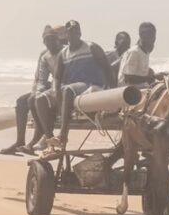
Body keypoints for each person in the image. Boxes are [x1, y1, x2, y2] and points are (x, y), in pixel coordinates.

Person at [34, 20, 112, 151]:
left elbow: (107, 68)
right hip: (71, 85)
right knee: (40, 99)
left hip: (90, 84)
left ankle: (63, 134)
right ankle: (50, 138)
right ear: (66, 35)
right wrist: (55, 90)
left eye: (76, 32)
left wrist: (111, 90)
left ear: (80, 33)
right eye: (70, 33)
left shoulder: (91, 47)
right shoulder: (63, 53)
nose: (73, 35)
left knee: (67, 90)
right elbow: (57, 77)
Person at [0, 25, 64, 155]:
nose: (50, 42)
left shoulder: (66, 52)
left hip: (61, 86)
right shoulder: (45, 55)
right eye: (47, 40)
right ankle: (20, 141)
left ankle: (36, 140)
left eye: (53, 38)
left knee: (37, 100)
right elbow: (39, 78)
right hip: (50, 85)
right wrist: (36, 92)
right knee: (23, 101)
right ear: (44, 41)